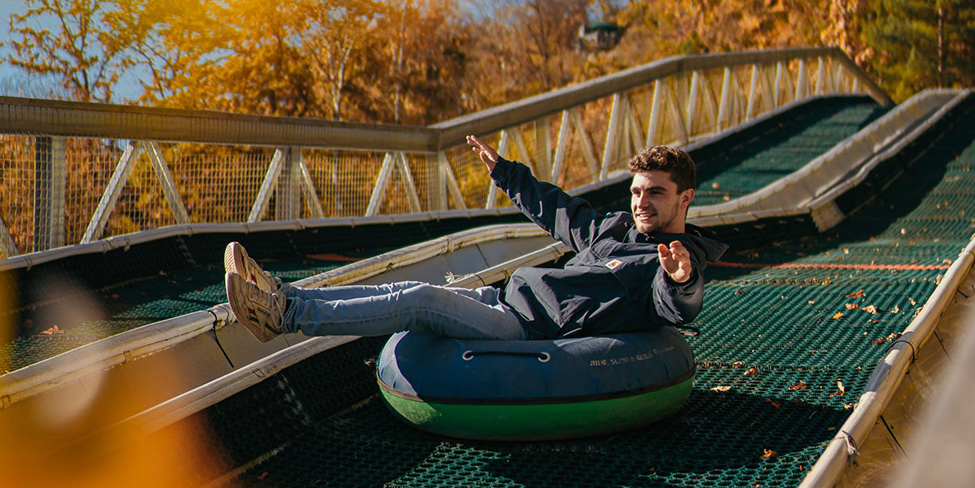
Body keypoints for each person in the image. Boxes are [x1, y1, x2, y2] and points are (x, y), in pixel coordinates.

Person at [223, 135, 726, 344]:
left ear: (684, 199)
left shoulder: (671, 262)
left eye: (656, 194)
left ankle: (285, 317)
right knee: (398, 290)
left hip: (527, 327)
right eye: (637, 191)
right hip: (507, 297)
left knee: (419, 300)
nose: (641, 202)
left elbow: (674, 306)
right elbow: (561, 213)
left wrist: (681, 281)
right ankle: (284, 296)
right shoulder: (615, 229)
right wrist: (506, 174)